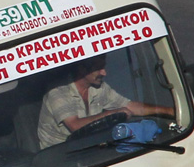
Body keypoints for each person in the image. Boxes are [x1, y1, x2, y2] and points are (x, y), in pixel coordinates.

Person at [36, 56, 173, 148]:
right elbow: (75, 125)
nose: (104, 73)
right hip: (58, 157)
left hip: (90, 146)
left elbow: (130, 106)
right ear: (82, 69)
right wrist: (113, 113)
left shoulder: (98, 87)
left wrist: (168, 111)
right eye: (99, 68)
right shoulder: (58, 92)